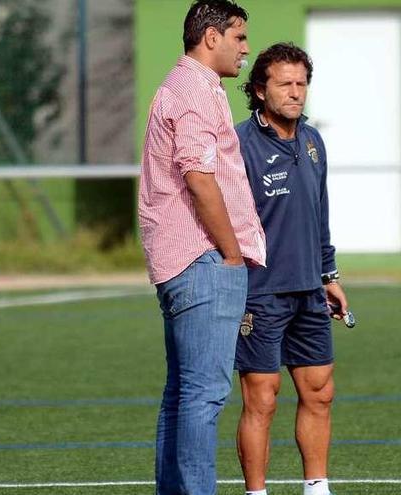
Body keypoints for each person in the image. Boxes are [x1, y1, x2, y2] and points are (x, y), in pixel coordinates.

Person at [137, 1, 266, 494]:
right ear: (211, 37)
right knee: (203, 395)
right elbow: (198, 176)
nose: (246, 48)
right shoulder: (193, 89)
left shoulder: (187, 85)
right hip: (202, 260)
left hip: (183, 260)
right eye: (239, 36)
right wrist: (232, 254)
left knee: (182, 395)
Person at [233, 43, 349, 495]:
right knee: (262, 399)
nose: (296, 92)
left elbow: (320, 214)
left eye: (302, 83)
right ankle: (256, 493)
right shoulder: (239, 144)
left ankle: (316, 487)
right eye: (285, 83)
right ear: (260, 90)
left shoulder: (313, 140)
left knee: (320, 391)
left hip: (309, 289)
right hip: (259, 292)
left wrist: (329, 275)